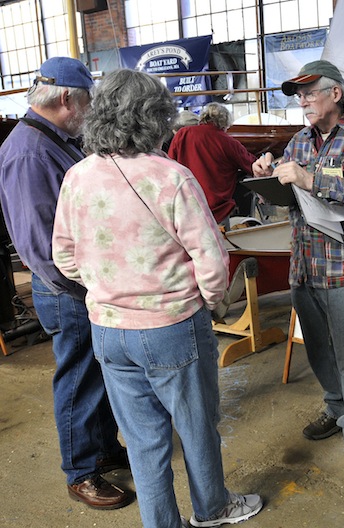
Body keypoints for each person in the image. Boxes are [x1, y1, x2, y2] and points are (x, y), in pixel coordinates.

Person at [51, 68, 263, 528]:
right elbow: (211, 258)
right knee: (196, 427)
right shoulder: (171, 177)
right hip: (171, 326)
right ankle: (213, 509)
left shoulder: (78, 176)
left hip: (108, 329)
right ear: (156, 117)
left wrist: (107, 286)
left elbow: (63, 258)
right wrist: (209, 303)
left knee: (143, 440)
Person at [0, 57, 133, 510]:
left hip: (80, 287)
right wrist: (85, 290)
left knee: (95, 376)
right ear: (65, 100)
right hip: (66, 291)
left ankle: (105, 449)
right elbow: (39, 246)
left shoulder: (55, 140)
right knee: (77, 381)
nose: (90, 110)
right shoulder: (31, 152)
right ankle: (81, 472)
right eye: (87, 102)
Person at [252, 60, 344, 479]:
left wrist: (310, 179)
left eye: (311, 92)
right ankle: (337, 408)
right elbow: (288, 200)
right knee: (317, 350)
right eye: (298, 95)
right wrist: (268, 176)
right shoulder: (298, 141)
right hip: (305, 265)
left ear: (337, 93)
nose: (303, 100)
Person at [168, 102, 260, 228]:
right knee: (220, 244)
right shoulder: (229, 143)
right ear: (225, 122)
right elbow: (253, 165)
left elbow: (169, 165)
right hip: (216, 211)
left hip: (186, 205)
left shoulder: (183, 133)